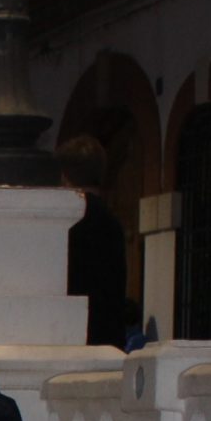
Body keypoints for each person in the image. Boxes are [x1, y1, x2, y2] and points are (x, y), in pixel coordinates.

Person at [57, 136, 132, 350]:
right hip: (108, 338)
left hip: (72, 336)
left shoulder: (67, 222)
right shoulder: (112, 223)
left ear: (64, 176)